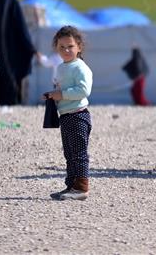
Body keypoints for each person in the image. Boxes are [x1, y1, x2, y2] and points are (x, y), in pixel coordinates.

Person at [44, 25, 93, 201]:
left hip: (78, 115)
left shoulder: (80, 67)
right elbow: (62, 88)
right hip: (66, 115)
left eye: (70, 46)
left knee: (79, 153)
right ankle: (71, 186)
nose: (66, 50)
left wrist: (61, 94)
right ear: (56, 48)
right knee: (69, 153)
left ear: (79, 47)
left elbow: (83, 90)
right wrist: (52, 95)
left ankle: (81, 187)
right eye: (61, 47)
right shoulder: (61, 67)